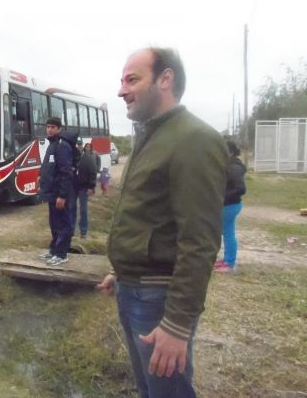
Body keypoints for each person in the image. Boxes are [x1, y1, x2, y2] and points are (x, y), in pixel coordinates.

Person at [96, 47, 228, 398]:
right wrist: (122, 272)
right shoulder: (150, 134)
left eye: (132, 79)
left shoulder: (194, 139)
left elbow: (200, 241)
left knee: (167, 393)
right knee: (150, 391)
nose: (121, 90)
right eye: (122, 80)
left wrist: (178, 324)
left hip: (158, 299)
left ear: (165, 79)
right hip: (134, 287)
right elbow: (148, 216)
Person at [37, 117, 75, 266]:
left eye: (53, 127)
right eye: (48, 127)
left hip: (60, 194)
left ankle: (61, 254)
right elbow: (48, 166)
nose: (49, 129)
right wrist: (41, 176)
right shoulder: (51, 144)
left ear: (59, 129)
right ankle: (53, 250)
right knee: (54, 223)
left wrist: (62, 196)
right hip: (52, 193)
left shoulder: (62, 146)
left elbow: (66, 172)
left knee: (63, 224)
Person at [214, 140, 246, 273]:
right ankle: (227, 260)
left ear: (230, 152)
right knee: (227, 233)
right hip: (229, 205)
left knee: (227, 233)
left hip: (229, 205)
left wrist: (222, 196)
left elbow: (241, 189)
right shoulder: (230, 165)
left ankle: (229, 263)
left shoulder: (234, 167)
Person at [69, 142, 97, 238]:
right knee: (71, 208)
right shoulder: (72, 158)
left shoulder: (88, 158)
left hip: (84, 187)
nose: (79, 148)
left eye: (81, 146)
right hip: (73, 187)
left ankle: (83, 231)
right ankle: (71, 230)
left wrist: (91, 187)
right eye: (77, 146)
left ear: (83, 148)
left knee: (83, 209)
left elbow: (93, 172)